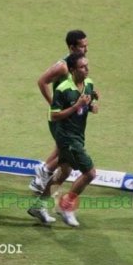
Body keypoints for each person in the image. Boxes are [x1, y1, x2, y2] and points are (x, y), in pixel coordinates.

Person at [28, 52, 99, 227]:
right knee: (90, 173)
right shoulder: (62, 89)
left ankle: (39, 205)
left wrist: (91, 105)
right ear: (73, 70)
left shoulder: (89, 84)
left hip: (78, 136)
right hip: (67, 138)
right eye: (82, 67)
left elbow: (86, 104)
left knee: (65, 172)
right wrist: (77, 106)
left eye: (87, 65)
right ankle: (66, 206)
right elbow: (54, 116)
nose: (87, 69)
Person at [29, 30, 89, 193]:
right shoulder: (63, 67)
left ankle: (42, 175)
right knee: (65, 151)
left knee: (60, 149)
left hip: (68, 113)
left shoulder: (76, 63)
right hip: (60, 115)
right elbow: (42, 81)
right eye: (83, 46)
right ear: (72, 47)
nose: (86, 49)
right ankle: (42, 175)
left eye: (87, 46)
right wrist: (53, 104)